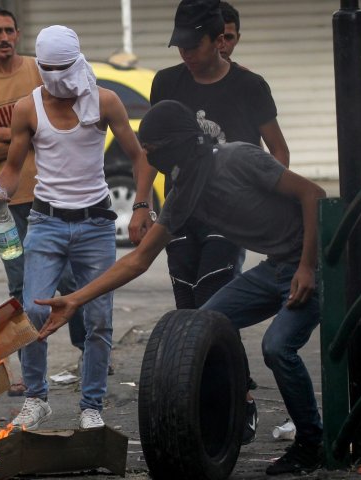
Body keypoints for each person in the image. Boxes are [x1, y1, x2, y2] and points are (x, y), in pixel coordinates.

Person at [37, 100, 325, 475]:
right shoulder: (185, 193)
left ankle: (311, 442)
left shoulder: (237, 159)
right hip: (277, 267)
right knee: (204, 327)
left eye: (154, 150)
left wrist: (306, 266)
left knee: (277, 347)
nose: (149, 157)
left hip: (318, 263)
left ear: (178, 143)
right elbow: (138, 260)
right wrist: (75, 299)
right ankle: (226, 420)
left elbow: (313, 194)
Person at [136, 0, 291, 443]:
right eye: (178, 44)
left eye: (193, 44)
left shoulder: (249, 85)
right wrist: (141, 204)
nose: (185, 52)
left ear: (218, 39)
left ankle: (238, 398)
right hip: (182, 208)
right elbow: (152, 148)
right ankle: (200, 399)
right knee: (187, 310)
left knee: (213, 302)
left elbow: (278, 150)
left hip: (229, 210)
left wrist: (264, 199)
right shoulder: (167, 81)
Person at [0, 25, 155, 431]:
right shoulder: (29, 108)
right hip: (45, 221)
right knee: (31, 310)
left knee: (98, 318)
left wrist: (141, 207)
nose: (57, 76)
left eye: (63, 68)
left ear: (77, 62)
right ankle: (36, 399)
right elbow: (11, 168)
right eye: (49, 68)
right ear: (40, 67)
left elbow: (141, 158)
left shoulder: (104, 101)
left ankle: (91, 406)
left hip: (96, 224)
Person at [0, 7, 92, 393]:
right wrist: (29, 126)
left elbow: (66, 120)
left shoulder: (41, 71)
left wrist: (10, 128)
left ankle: (89, 355)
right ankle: (26, 373)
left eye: (9, 30)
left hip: (52, 195)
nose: (4, 37)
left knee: (73, 281)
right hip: (5, 206)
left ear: (18, 34)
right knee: (19, 283)